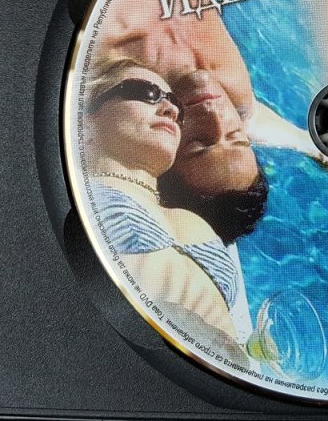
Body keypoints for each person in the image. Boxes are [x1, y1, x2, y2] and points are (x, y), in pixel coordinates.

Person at [100, 0, 328, 204]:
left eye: (198, 144)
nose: (214, 114)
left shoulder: (107, 45)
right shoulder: (231, 95)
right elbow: (252, 119)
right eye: (236, 137)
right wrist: (313, 146)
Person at [83, 56, 254, 358]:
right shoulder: (85, 193)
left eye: (176, 105)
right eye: (148, 93)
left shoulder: (187, 217)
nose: (171, 109)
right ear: (87, 116)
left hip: (223, 371)